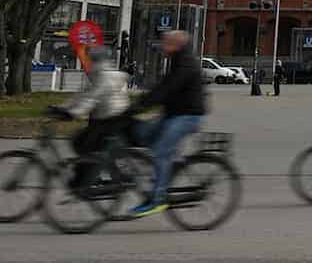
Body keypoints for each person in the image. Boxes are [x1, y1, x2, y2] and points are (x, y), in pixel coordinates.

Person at [127, 30, 206, 218]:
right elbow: (163, 86)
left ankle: (158, 199)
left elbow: (169, 88)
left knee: (161, 151)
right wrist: (141, 103)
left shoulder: (185, 63)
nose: (163, 46)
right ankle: (165, 169)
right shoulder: (177, 60)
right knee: (143, 134)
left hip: (188, 116)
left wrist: (143, 105)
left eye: (166, 43)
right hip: (174, 114)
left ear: (176, 45)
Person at [54, 45, 130, 189]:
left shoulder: (105, 76)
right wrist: (62, 107)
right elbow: (83, 95)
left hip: (110, 118)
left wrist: (73, 113)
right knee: (90, 145)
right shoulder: (103, 73)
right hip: (104, 117)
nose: (88, 60)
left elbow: (91, 98)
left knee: (85, 144)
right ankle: (94, 176)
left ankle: (88, 177)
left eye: (90, 58)